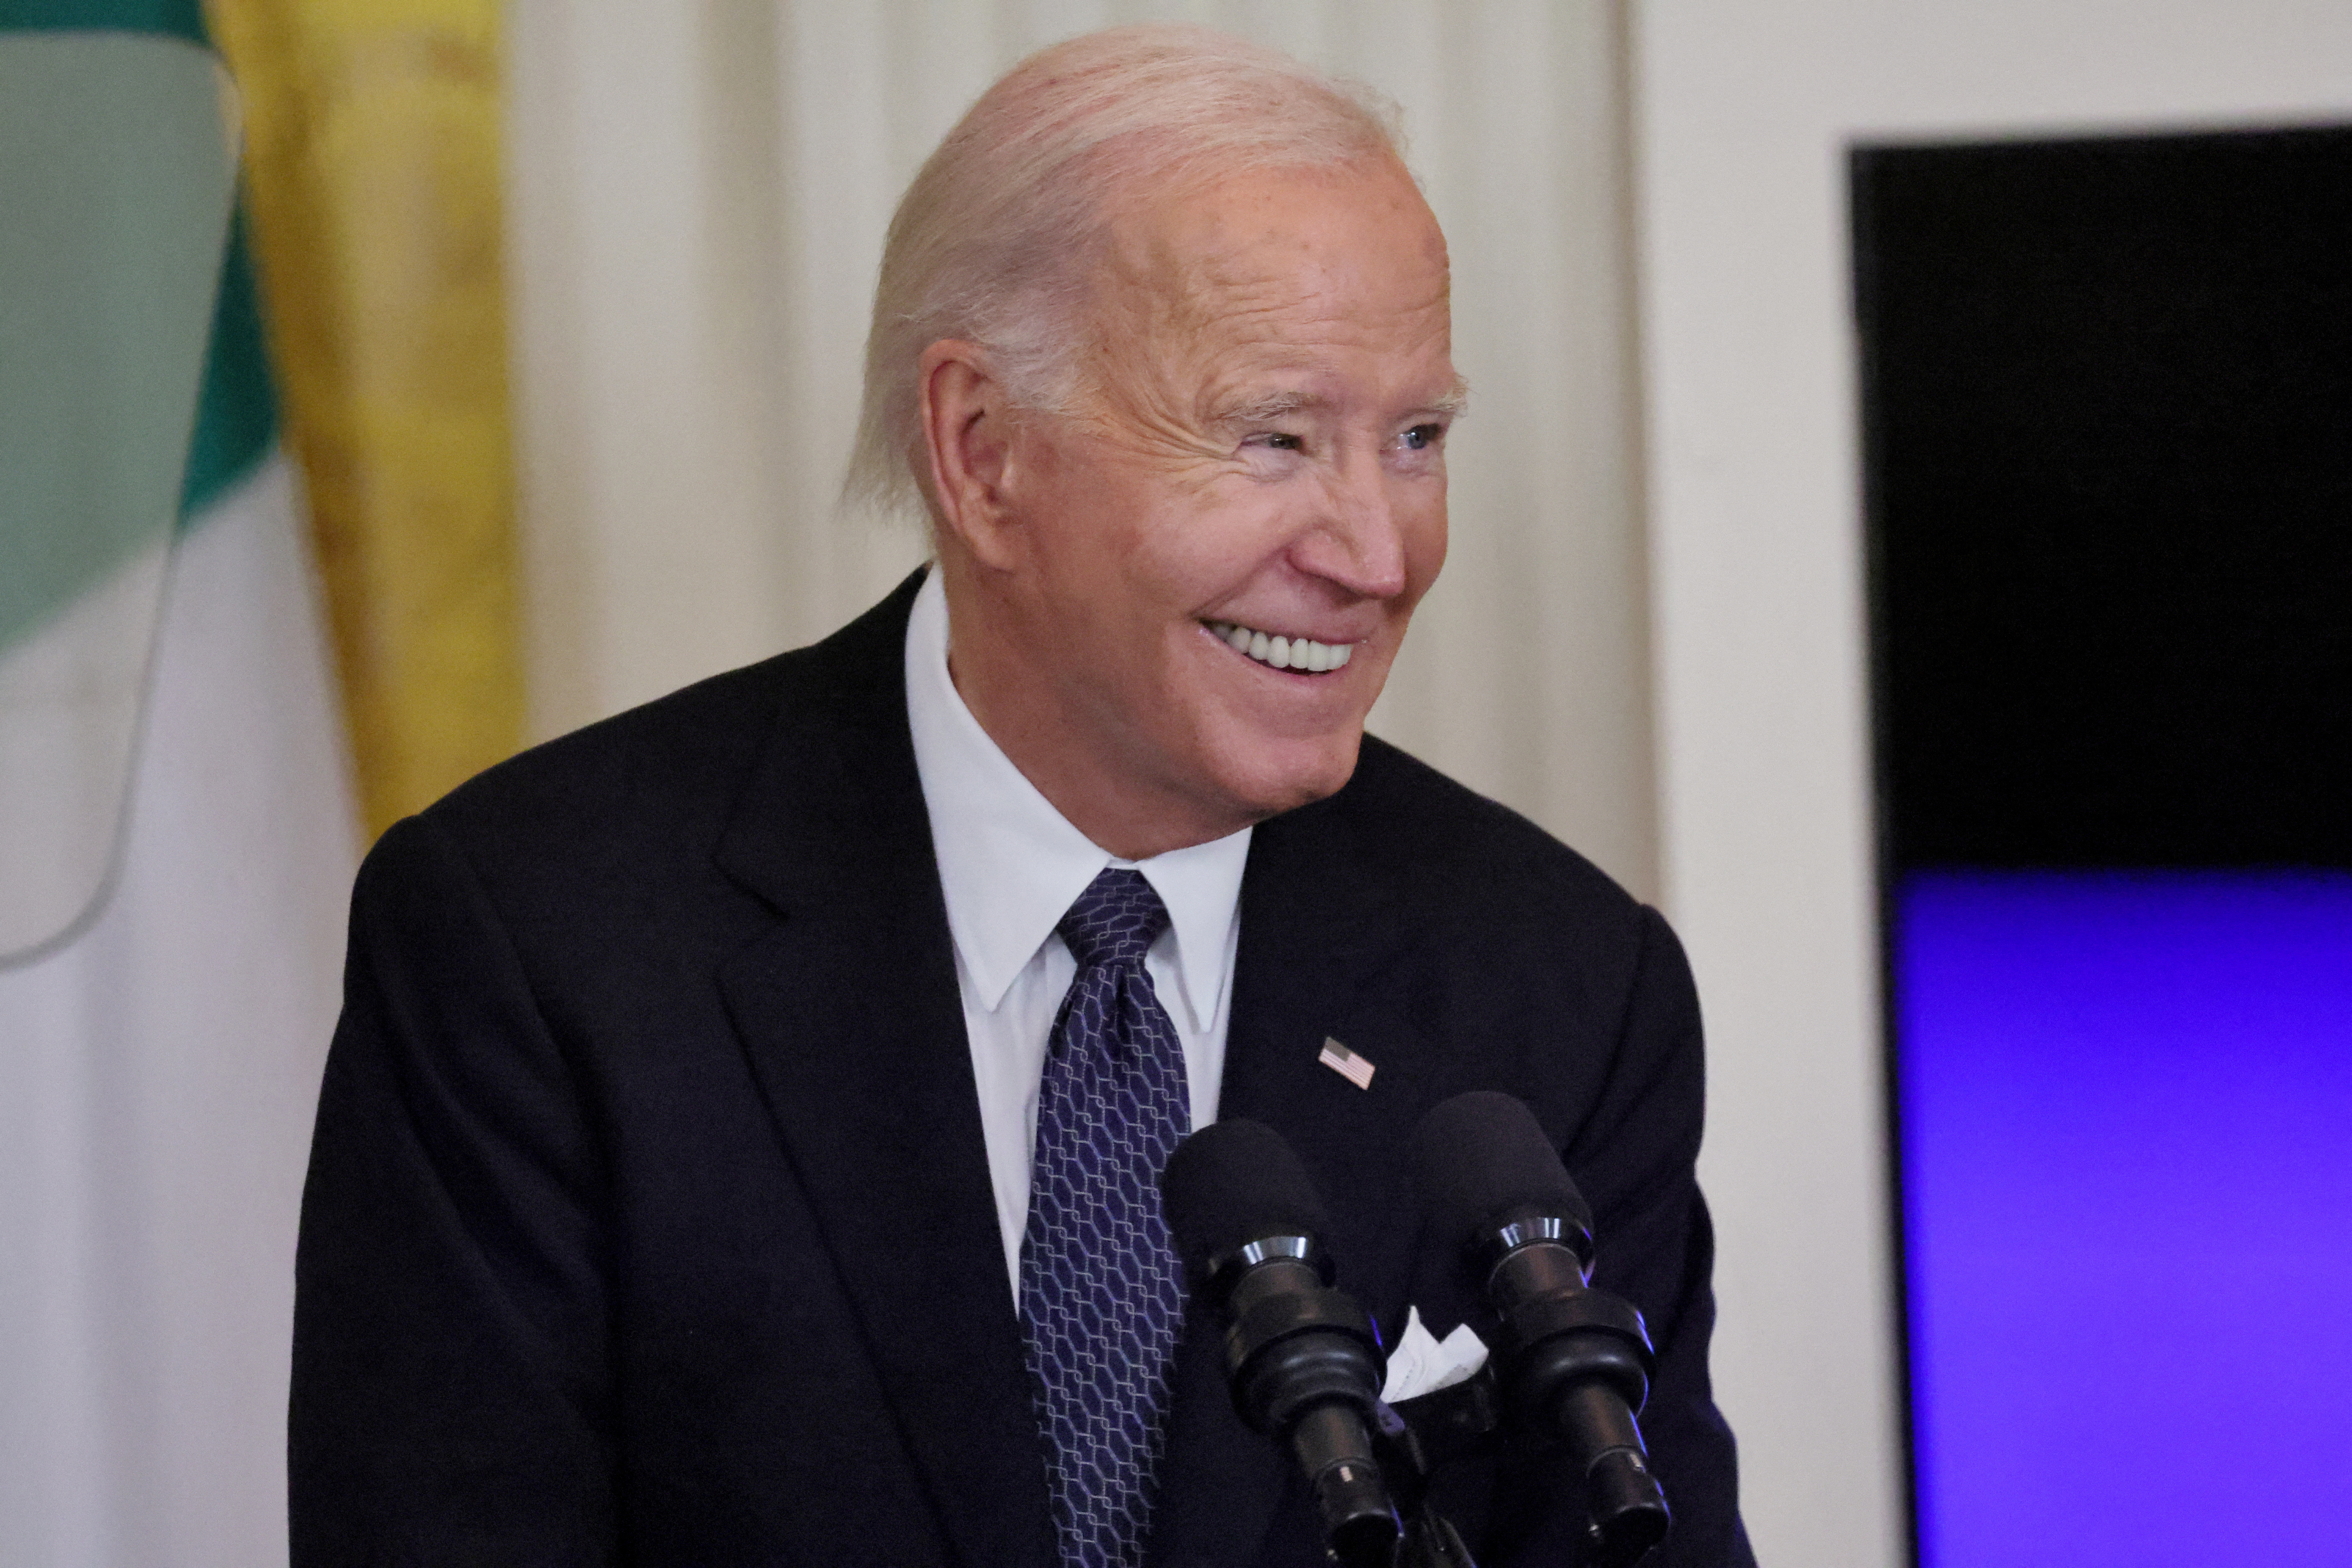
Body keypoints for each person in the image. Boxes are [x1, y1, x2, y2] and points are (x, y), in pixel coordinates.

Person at [289, 23, 1751, 1568]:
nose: (1377, 555)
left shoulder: (1568, 988)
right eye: (1272, 437)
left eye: (1415, 438)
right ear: (984, 453)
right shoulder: (543, 948)